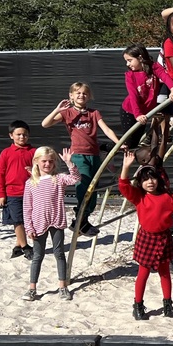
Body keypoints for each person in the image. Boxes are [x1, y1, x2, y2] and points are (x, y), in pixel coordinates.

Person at [118, 149, 173, 321]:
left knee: (165, 272)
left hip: (163, 238)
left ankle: (168, 303)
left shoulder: (168, 198)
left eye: (152, 178)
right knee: (143, 273)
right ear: (140, 183)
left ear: (159, 179)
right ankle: (138, 305)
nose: (150, 182)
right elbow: (123, 186)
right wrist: (125, 167)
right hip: (147, 238)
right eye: (145, 180)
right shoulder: (139, 196)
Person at [40, 82, 120, 237]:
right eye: (78, 93)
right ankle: (80, 219)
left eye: (84, 93)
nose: (81, 96)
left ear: (88, 96)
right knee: (84, 188)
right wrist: (58, 109)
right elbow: (45, 124)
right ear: (71, 95)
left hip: (94, 155)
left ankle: (82, 219)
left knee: (94, 188)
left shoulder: (93, 113)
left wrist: (119, 143)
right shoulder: (67, 113)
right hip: (78, 155)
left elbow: (106, 129)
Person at [21, 146, 80, 301]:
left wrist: (70, 163)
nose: (47, 164)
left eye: (50, 161)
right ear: (36, 162)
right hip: (38, 224)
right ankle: (32, 288)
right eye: (44, 161)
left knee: (59, 253)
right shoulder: (31, 183)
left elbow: (75, 179)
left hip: (57, 221)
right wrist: (29, 227)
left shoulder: (59, 178)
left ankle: (63, 286)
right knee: (37, 256)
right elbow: (27, 207)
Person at [121, 43, 173, 149]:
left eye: (129, 60)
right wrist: (138, 114)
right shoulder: (130, 75)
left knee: (136, 141)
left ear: (140, 58)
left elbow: (165, 77)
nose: (127, 64)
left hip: (145, 112)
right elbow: (133, 96)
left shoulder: (154, 67)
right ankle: (111, 150)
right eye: (126, 61)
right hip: (130, 111)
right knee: (129, 143)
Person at [0, 119, 35, 260]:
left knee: (28, 220)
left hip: (31, 193)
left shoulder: (34, 152)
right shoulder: (6, 153)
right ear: (11, 135)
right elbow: (0, 174)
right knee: (17, 220)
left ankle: (18, 245)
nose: (22, 137)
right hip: (13, 193)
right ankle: (25, 247)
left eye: (24, 134)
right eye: (18, 134)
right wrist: (1, 194)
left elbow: (41, 171)